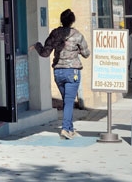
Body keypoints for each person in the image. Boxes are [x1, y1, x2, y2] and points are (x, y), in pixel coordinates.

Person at [29, 8, 90, 140]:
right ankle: (65, 129)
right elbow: (86, 54)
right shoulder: (78, 35)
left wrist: (37, 45)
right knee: (69, 101)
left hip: (58, 72)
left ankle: (70, 128)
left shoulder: (55, 33)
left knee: (67, 101)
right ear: (72, 21)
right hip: (72, 72)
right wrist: (77, 50)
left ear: (61, 20)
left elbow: (45, 53)